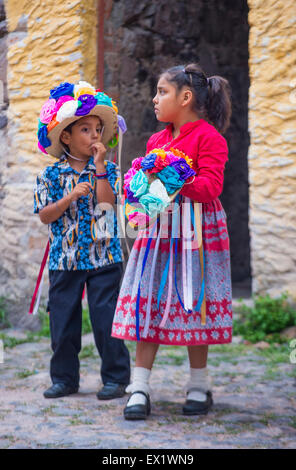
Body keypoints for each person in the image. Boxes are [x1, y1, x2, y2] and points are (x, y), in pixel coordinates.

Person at [111, 63, 232, 419]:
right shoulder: (156, 140)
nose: (155, 99)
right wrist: (139, 190)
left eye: (162, 92)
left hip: (196, 233)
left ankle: (198, 384)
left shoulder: (210, 138)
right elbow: (148, 188)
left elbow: (211, 186)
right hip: (160, 231)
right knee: (149, 301)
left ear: (186, 97)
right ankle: (140, 386)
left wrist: (175, 178)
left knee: (193, 301)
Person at [34, 80, 130, 399]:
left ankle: (116, 378)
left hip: (104, 257)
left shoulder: (109, 169)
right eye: (86, 130)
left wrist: (99, 169)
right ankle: (64, 379)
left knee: (106, 319)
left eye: (98, 130)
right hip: (65, 257)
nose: (94, 136)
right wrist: (70, 197)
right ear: (66, 136)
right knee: (63, 322)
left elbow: (107, 205)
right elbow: (45, 215)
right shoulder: (50, 175)